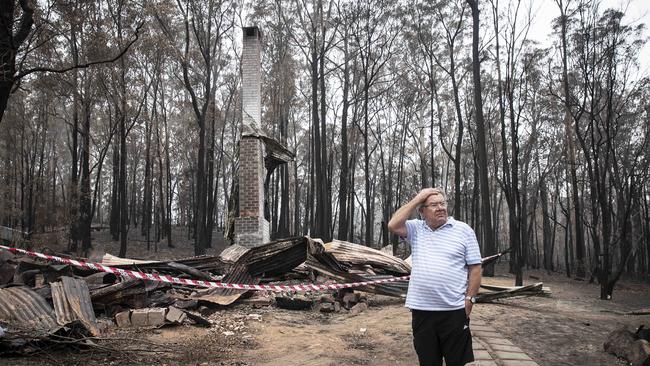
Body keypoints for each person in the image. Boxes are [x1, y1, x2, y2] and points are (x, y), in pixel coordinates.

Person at [388, 187, 482, 366]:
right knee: (428, 362)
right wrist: (418, 198)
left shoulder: (463, 230)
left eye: (442, 203)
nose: (440, 208)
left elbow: (475, 268)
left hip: (454, 311)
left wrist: (470, 300)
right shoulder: (416, 229)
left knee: (459, 362)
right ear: (422, 211)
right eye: (433, 205)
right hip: (422, 312)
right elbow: (393, 224)